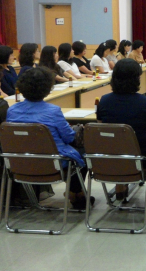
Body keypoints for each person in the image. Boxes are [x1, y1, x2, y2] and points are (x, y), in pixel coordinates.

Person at [7, 67, 94, 209]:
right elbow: (69, 137)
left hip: (21, 162)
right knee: (83, 152)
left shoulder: (12, 110)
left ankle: (76, 193)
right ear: (48, 88)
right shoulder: (53, 111)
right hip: (52, 162)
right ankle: (75, 192)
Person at [96, 59, 146, 200]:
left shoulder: (104, 101)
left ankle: (120, 182)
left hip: (109, 157)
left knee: (116, 142)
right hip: (140, 158)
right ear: (137, 79)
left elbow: (101, 130)